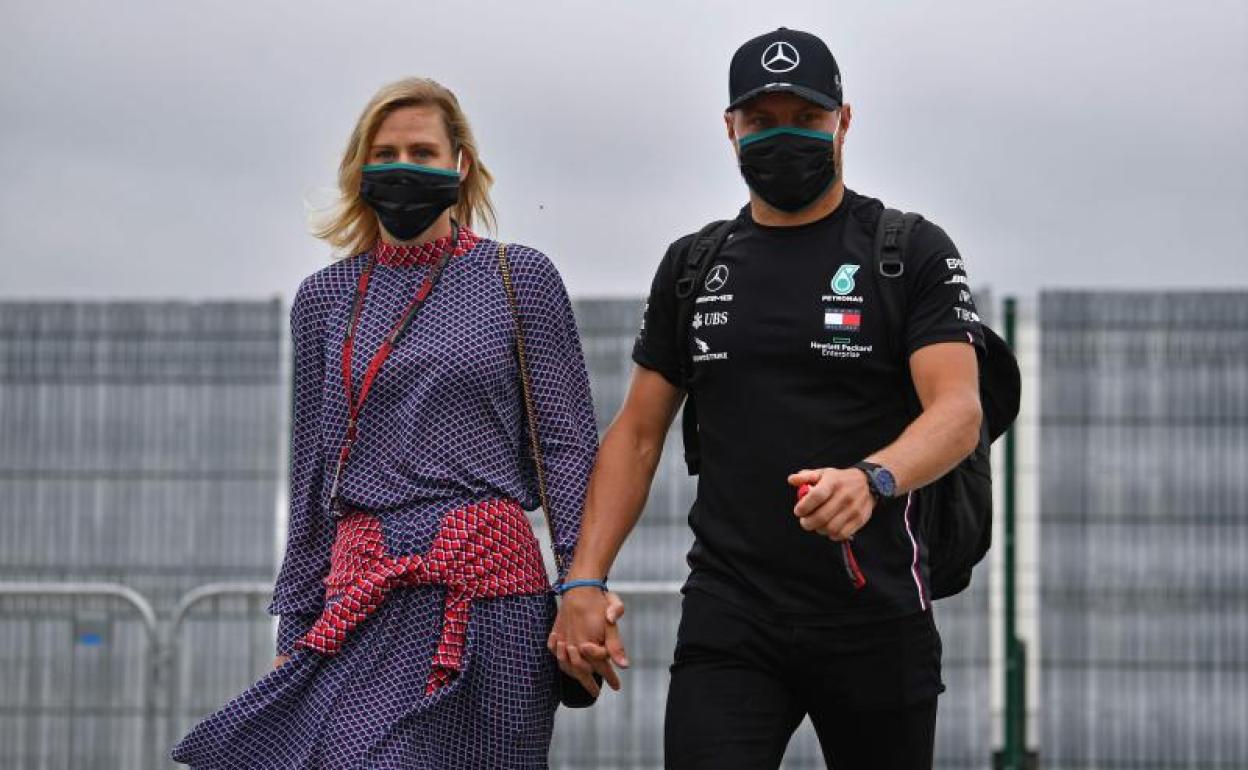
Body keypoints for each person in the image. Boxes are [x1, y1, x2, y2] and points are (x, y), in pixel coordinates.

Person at [550, 28, 985, 770]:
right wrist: (583, 578)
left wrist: (872, 480)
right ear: (730, 129)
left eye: (806, 119)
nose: (783, 136)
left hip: (878, 617)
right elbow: (638, 434)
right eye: (761, 121)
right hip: (732, 616)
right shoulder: (695, 265)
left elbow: (958, 411)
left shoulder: (908, 250)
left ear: (844, 120)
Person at [171, 76, 609, 769]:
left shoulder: (516, 277)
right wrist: (297, 622)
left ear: (460, 166)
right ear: (361, 170)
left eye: (424, 152)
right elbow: (313, 472)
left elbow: (566, 447)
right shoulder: (323, 299)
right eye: (386, 153)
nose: (404, 167)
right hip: (362, 592)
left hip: (491, 593)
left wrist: (583, 587)